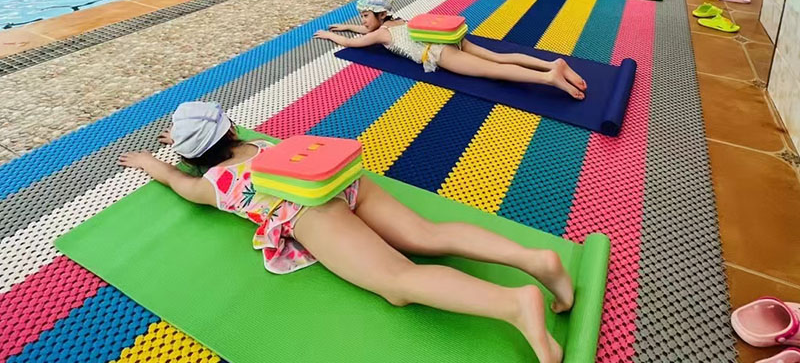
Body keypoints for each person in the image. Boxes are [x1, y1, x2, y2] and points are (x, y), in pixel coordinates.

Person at [120, 101, 574, 363]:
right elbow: (216, 140)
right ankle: (536, 260)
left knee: (398, 281)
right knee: (427, 235)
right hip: (332, 179)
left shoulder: (214, 184)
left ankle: (514, 304)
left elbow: (178, 182)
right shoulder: (263, 146)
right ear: (232, 129)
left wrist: (152, 162)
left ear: (195, 156)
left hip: (309, 211)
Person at [316, 0, 586, 100]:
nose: (361, 21)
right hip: (449, 38)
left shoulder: (381, 34)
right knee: (498, 56)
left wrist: (332, 36)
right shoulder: (398, 20)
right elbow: (364, 29)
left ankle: (549, 77)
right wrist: (349, 26)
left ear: (380, 16)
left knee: (494, 70)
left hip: (439, 53)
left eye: (365, 15)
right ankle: (552, 63)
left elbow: (358, 43)